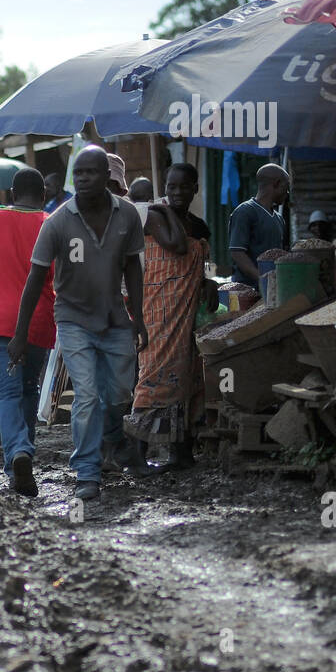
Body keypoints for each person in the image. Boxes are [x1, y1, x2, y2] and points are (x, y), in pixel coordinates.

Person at [8, 146, 147, 502]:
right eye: (79, 173)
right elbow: (35, 280)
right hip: (72, 320)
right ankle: (87, 472)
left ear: (107, 176)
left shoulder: (128, 215)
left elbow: (133, 265)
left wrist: (140, 317)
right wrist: (20, 335)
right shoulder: (57, 222)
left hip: (116, 319)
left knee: (117, 394)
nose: (83, 179)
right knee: (86, 395)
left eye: (91, 172)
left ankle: (113, 436)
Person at [128, 162, 218, 475]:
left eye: (183, 187)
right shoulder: (154, 217)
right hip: (158, 310)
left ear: (195, 189)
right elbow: (177, 246)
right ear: (163, 189)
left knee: (188, 377)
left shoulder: (198, 224)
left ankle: (182, 452)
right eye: (171, 187)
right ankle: (137, 456)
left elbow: (204, 263)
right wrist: (163, 208)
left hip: (187, 312)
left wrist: (208, 282)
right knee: (152, 376)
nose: (177, 192)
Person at [0, 167, 55, 497]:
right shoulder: (50, 222)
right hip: (37, 321)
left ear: (10, 192)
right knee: (27, 390)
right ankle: (20, 463)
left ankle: (19, 453)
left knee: (6, 395)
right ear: (44, 195)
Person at [228, 164, 289, 285]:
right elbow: (237, 252)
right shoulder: (245, 212)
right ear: (276, 184)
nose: (287, 193)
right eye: (285, 187)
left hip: (274, 287)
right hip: (248, 289)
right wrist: (262, 278)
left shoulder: (279, 219)